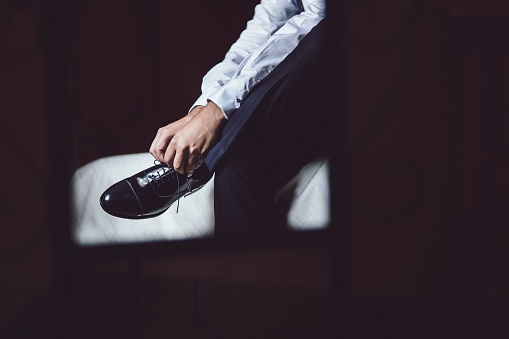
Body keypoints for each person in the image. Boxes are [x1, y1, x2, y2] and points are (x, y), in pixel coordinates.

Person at [100, 0, 328, 236]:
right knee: (235, 166)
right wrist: (204, 108)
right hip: (301, 105)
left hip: (351, 83)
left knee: (328, 32)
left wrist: (218, 110)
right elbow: (265, 27)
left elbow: (317, 19)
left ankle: (190, 170)